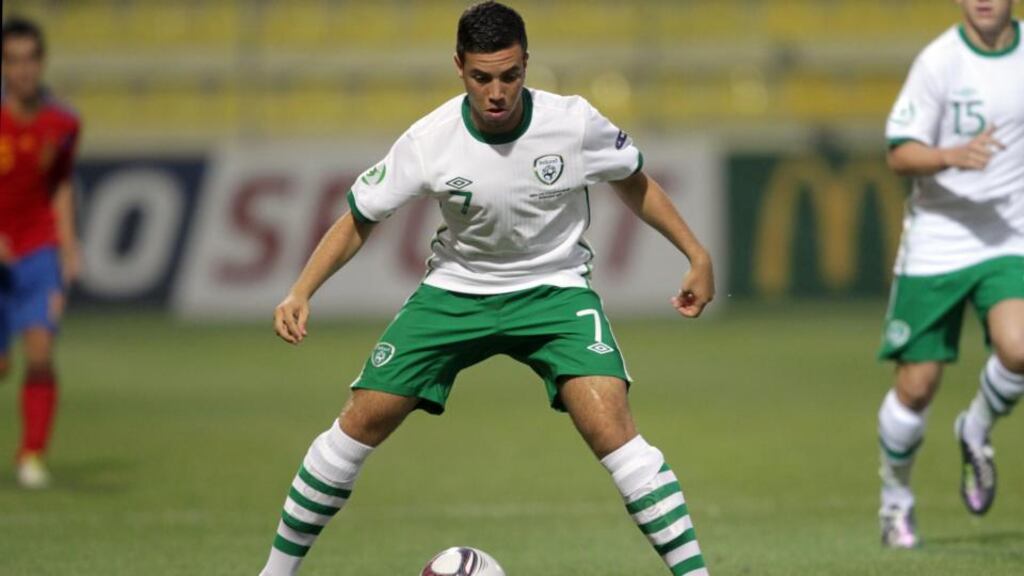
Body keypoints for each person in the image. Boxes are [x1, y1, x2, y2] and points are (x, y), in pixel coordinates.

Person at [258, 2, 714, 575]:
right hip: (455, 292)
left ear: (527, 64)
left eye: (509, 75)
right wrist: (301, 290)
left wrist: (695, 254)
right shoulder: (431, 140)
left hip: (554, 293)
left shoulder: (573, 122)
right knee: (359, 423)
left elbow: (633, 181)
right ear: (459, 67)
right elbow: (360, 217)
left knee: (613, 429)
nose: (496, 93)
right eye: (481, 77)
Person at [877, 0, 1023, 549]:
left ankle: (975, 426)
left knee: (1019, 348)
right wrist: (950, 156)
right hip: (938, 241)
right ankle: (895, 498)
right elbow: (899, 154)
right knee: (916, 388)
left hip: (1008, 235)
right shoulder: (939, 61)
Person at [0, 17, 82, 490]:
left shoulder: (62, 124)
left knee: (40, 351)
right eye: (13, 61)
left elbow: (61, 185)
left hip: (37, 250)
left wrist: (68, 246)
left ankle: (31, 454)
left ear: (42, 62)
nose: (23, 70)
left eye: (30, 59)